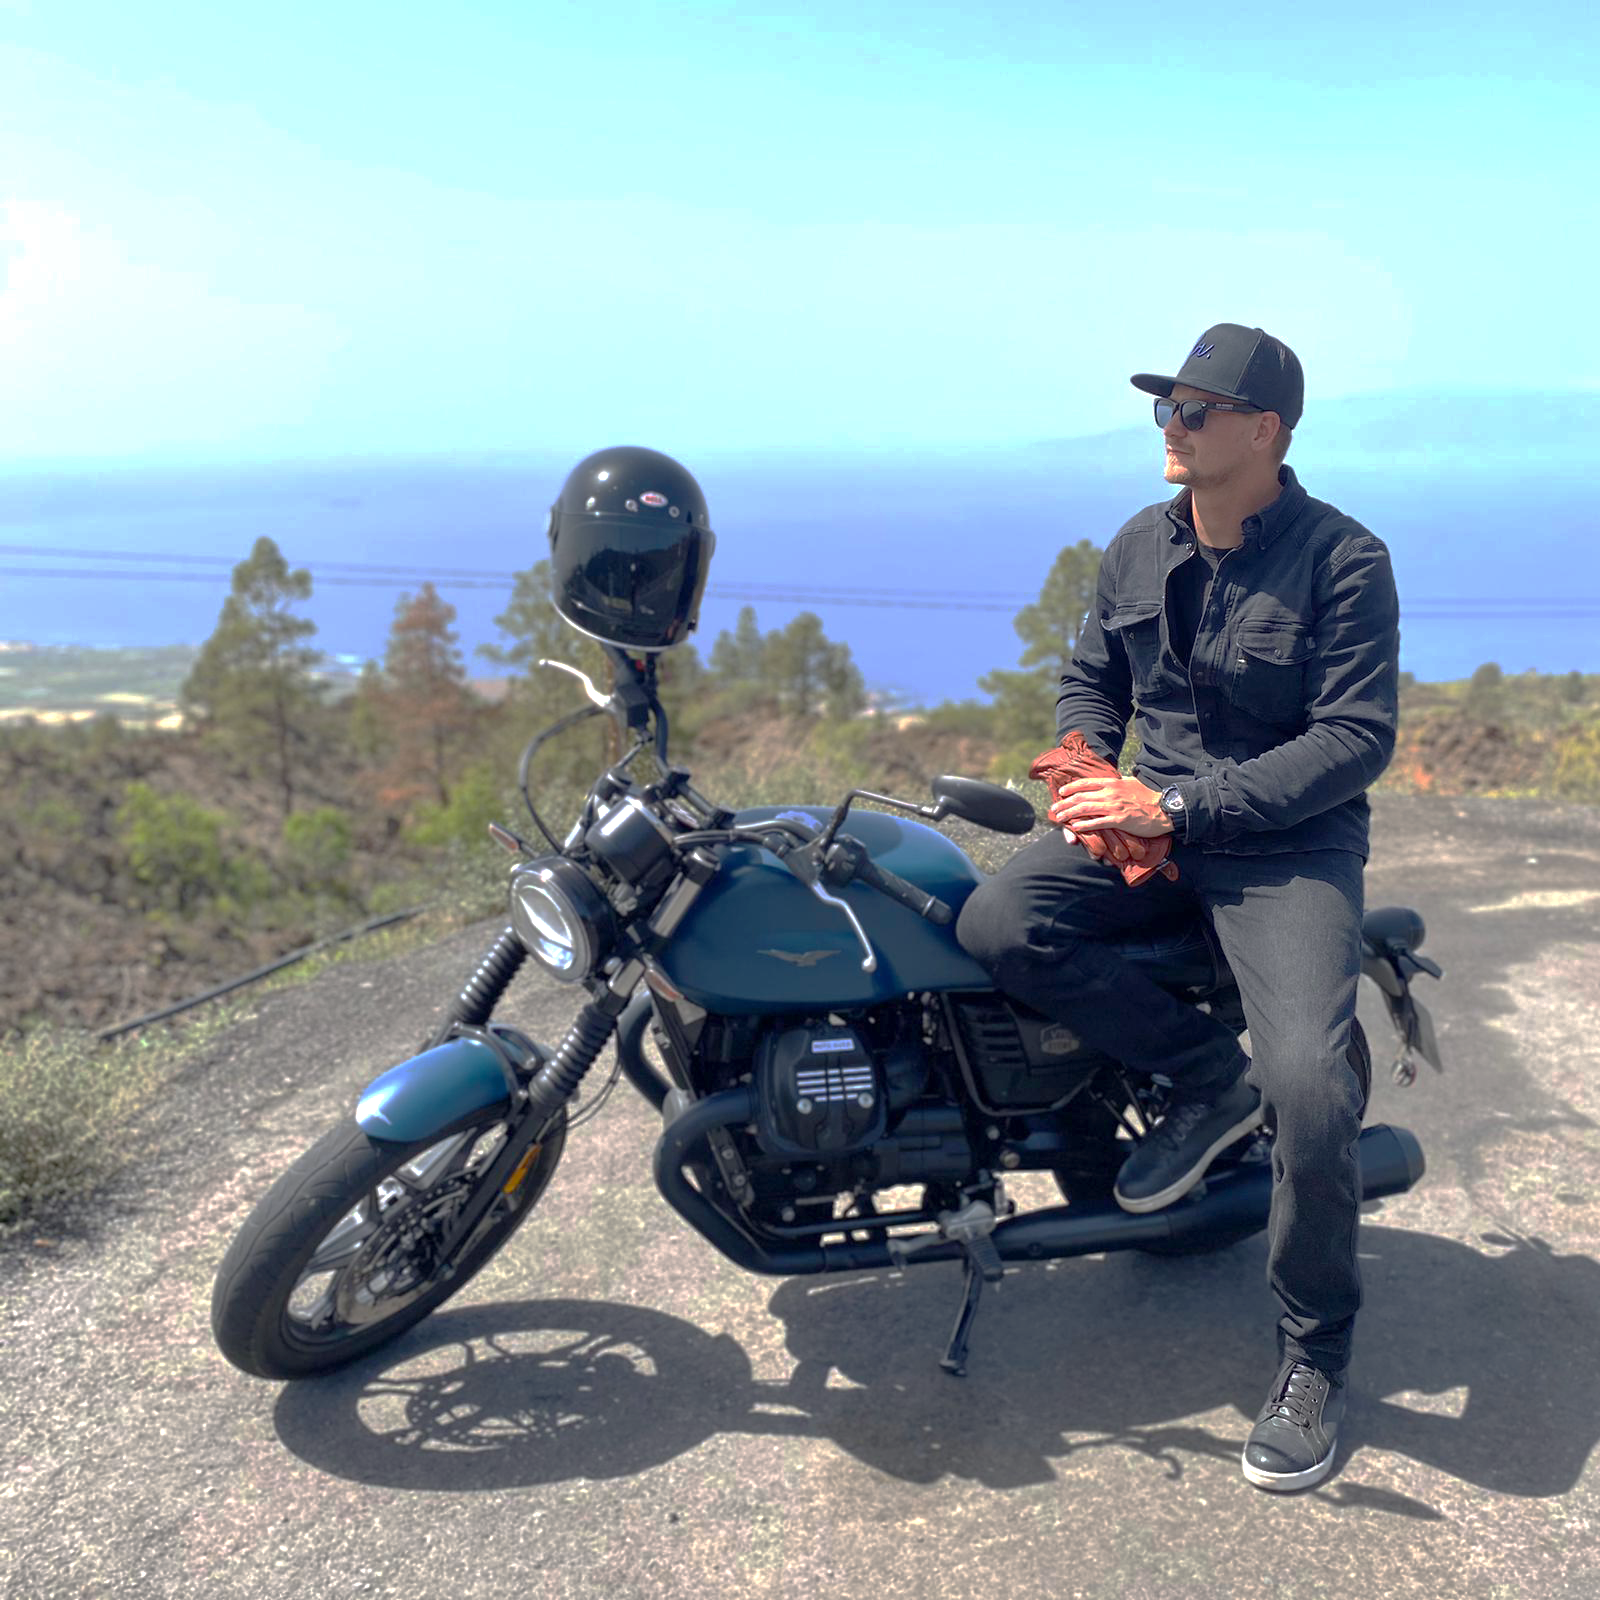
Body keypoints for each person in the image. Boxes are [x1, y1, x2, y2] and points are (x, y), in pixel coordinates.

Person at [955, 323, 1400, 1492]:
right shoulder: (1132, 549)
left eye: (1193, 411)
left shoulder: (1345, 560)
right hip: (1147, 822)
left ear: (1265, 431)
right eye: (1164, 408)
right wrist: (1087, 775)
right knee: (996, 925)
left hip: (1281, 847)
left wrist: (1179, 809)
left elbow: (1355, 739)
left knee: (1310, 1082)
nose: (1169, 426)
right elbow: (1088, 681)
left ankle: (1312, 1355)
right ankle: (1210, 1081)